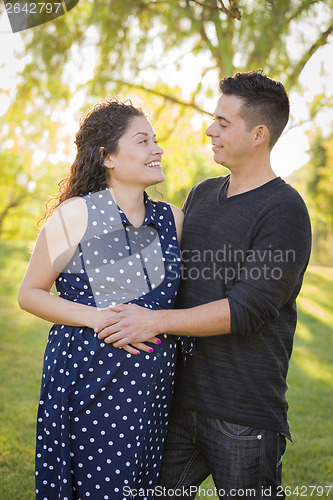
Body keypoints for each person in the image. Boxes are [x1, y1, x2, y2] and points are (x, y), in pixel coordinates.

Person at [94, 71, 312, 499]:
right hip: (178, 402)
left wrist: (154, 322)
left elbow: (245, 309)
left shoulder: (284, 210)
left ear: (259, 134)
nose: (210, 129)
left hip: (243, 414)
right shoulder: (201, 194)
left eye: (223, 122)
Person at [17, 98, 184, 500]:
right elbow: (30, 294)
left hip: (153, 392)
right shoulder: (76, 215)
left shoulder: (173, 219)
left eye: (156, 140)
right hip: (89, 380)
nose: (157, 149)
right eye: (143, 141)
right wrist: (100, 318)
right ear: (107, 157)